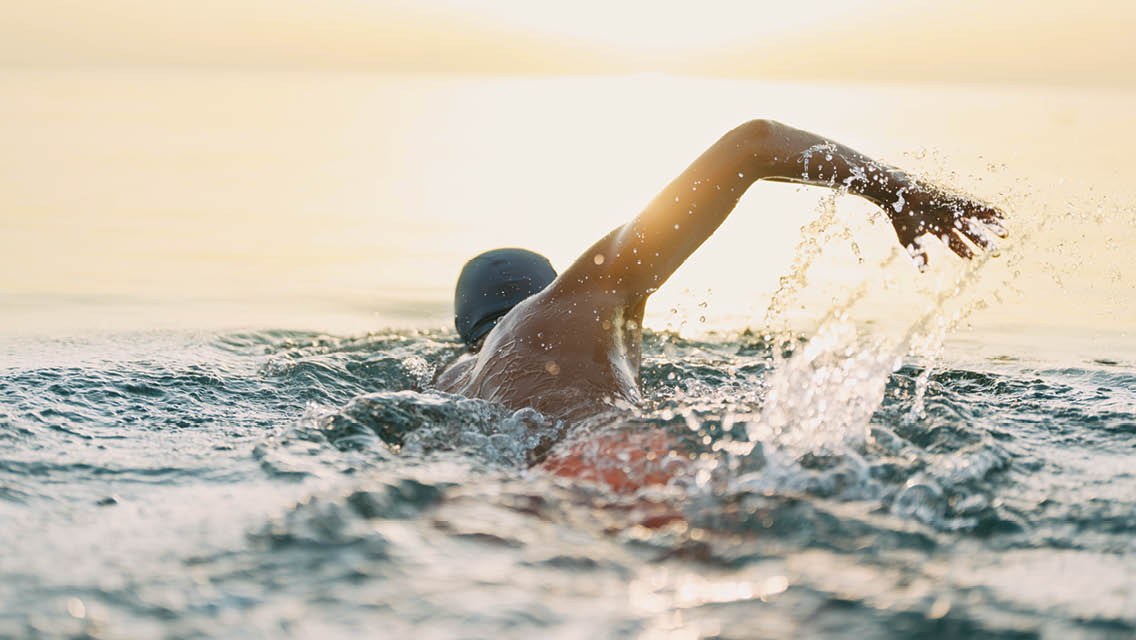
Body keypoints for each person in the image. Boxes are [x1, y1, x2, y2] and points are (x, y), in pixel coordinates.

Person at [435, 119, 1006, 425]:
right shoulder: (581, 299)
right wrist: (899, 193)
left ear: (468, 330)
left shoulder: (451, 382)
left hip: (514, 502)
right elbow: (751, 144)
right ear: (547, 286)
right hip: (616, 464)